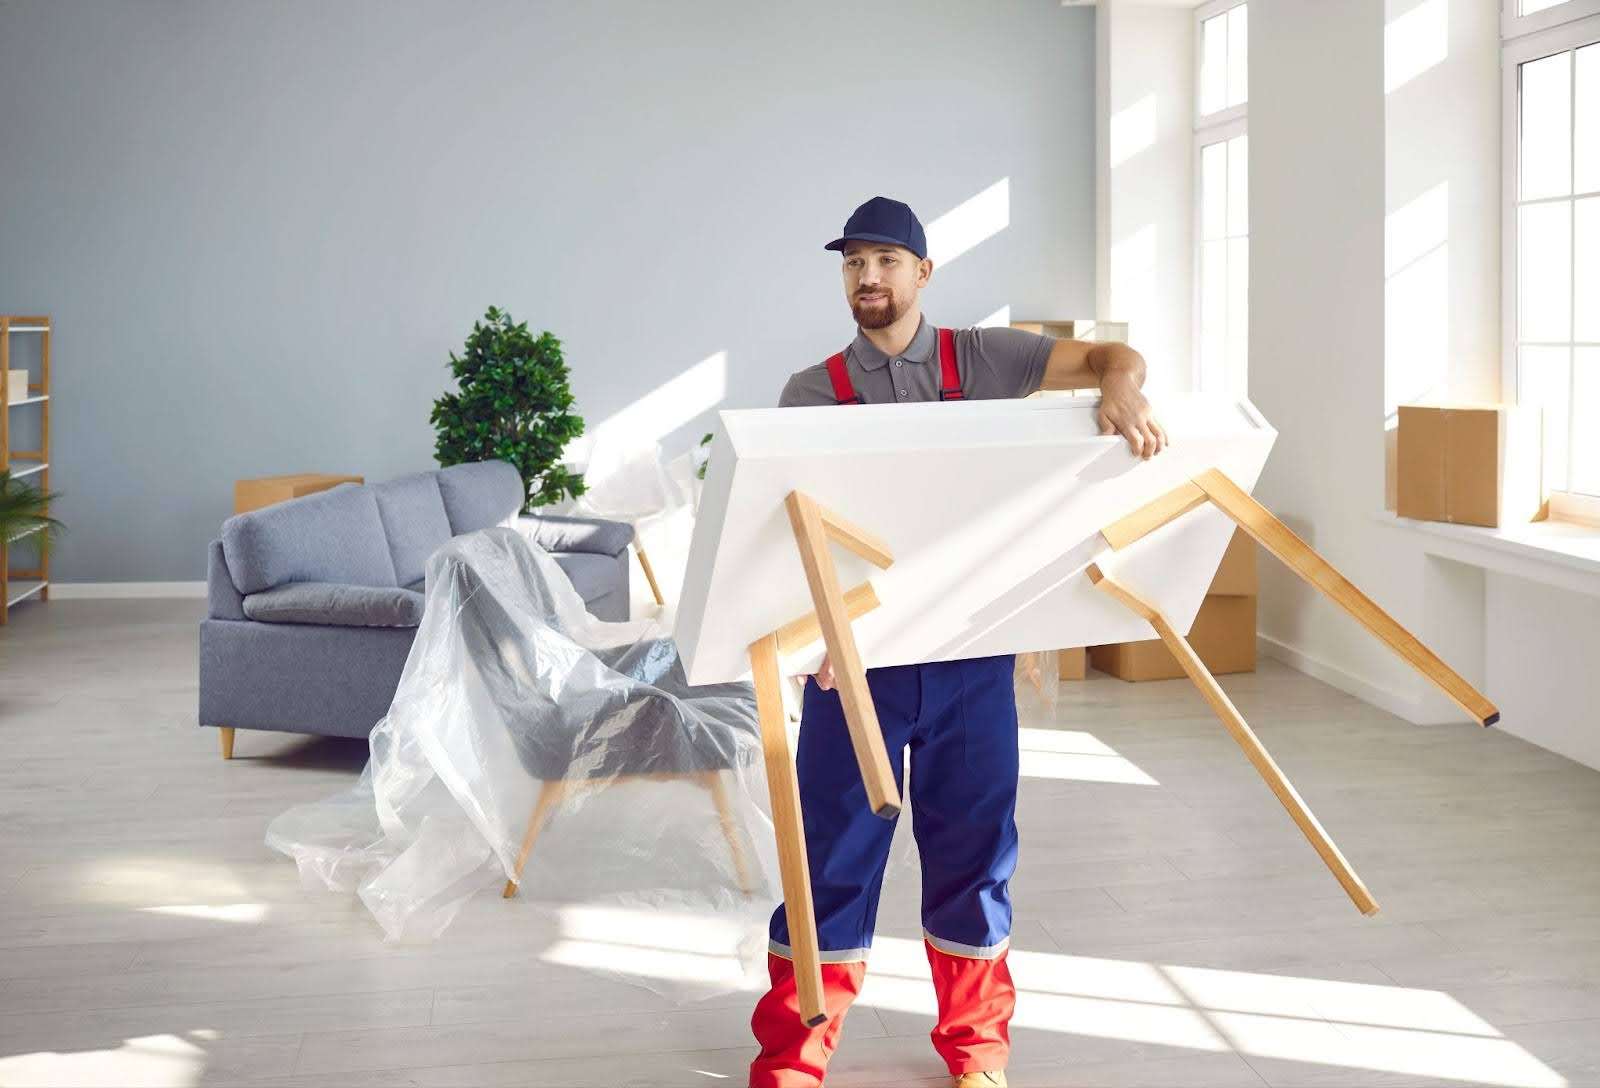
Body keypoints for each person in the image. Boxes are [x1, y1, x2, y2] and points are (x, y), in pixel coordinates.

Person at [747, 196, 1166, 1088]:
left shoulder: (985, 359)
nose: (868, 277)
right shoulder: (811, 393)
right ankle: (793, 1057)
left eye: (886, 261)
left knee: (976, 859)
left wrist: (1122, 387)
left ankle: (978, 1052)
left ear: (923, 273)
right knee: (830, 861)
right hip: (856, 668)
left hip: (972, 662)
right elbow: (781, 540)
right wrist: (813, 637)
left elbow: (1110, 357)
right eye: (854, 263)